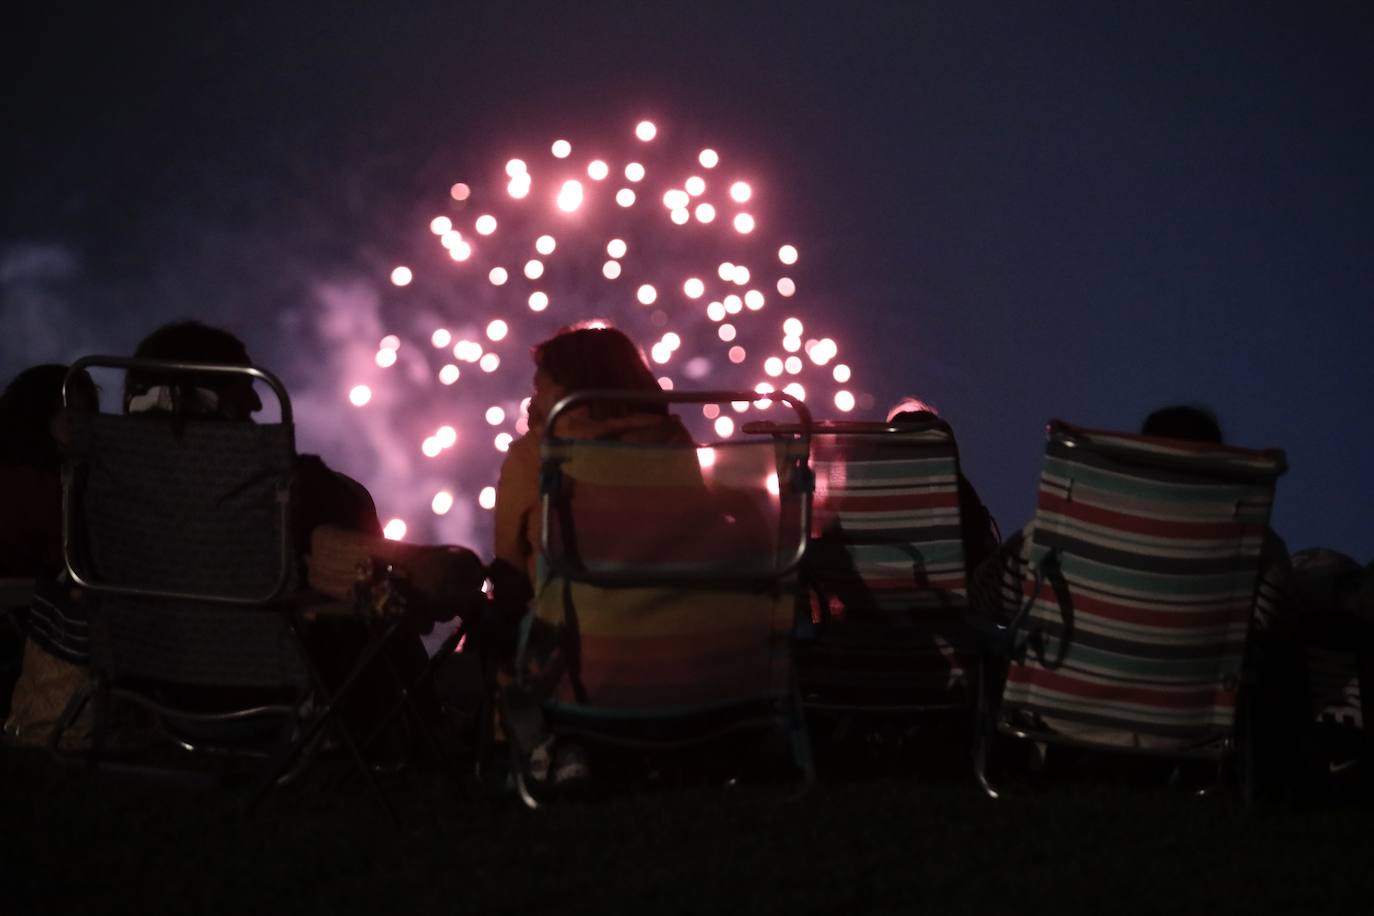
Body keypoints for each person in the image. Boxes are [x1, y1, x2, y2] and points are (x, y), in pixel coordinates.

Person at [490, 322, 692, 787]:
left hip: (574, 650)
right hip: (676, 640)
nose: (532, 393)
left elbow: (506, 563)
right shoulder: (674, 443)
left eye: (541, 382)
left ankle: (543, 738)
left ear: (569, 387)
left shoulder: (536, 454)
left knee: (501, 611)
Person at [1, 364, 98, 737]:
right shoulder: (45, 489)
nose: (87, 427)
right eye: (74, 417)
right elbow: (64, 563)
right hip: (24, 618)